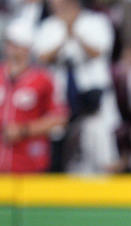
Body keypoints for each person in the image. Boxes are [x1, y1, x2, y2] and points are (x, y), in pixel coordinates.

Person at [34, 0, 121, 173]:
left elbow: (99, 52)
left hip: (92, 99)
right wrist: (66, 34)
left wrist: (75, 32)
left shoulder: (96, 21)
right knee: (62, 150)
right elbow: (42, 57)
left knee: (101, 151)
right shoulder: (48, 25)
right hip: (61, 97)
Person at [0, 20, 68, 173]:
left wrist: (24, 130)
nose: (11, 49)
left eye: (16, 44)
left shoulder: (43, 79)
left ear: (27, 48)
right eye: (9, 43)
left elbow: (59, 117)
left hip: (29, 163)